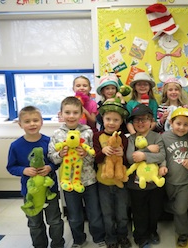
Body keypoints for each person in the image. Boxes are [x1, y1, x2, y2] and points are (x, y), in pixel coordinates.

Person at [48, 96, 106, 248]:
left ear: (82, 114)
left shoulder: (88, 132)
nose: (71, 116)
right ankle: (78, 240)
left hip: (89, 180)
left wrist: (85, 155)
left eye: (75, 112)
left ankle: (99, 237)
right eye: (67, 112)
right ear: (61, 114)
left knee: (94, 213)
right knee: (74, 215)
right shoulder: (56, 135)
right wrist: (60, 155)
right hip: (68, 183)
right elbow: (52, 158)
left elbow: (95, 156)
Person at [6, 106, 65, 248]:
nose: (32, 124)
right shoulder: (16, 146)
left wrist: (50, 167)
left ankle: (58, 245)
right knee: (34, 223)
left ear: (41, 122)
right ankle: (39, 245)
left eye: (35, 120)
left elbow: (56, 160)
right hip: (30, 193)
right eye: (27, 121)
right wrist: (24, 170)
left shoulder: (49, 141)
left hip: (49, 191)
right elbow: (11, 167)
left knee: (55, 221)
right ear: (20, 125)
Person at [126, 104, 166, 248]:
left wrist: (143, 156)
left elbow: (161, 155)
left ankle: (152, 231)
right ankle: (140, 236)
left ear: (151, 122)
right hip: (136, 185)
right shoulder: (131, 138)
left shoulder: (157, 137)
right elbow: (131, 158)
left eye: (144, 120)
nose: (140, 123)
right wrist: (147, 150)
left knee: (155, 210)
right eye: (136, 120)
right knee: (139, 211)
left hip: (155, 184)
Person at [93, 101, 132, 248]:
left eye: (116, 120)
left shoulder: (124, 138)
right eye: (108, 119)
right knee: (107, 214)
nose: (111, 123)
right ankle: (111, 238)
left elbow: (128, 163)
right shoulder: (97, 137)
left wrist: (123, 155)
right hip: (103, 182)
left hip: (121, 181)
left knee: (122, 213)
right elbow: (94, 159)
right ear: (102, 119)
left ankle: (123, 236)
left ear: (121, 121)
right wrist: (102, 152)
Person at [160, 107, 188, 247]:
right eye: (178, 123)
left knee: (181, 209)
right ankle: (165, 208)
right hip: (169, 180)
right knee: (176, 209)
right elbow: (162, 154)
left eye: (186, 125)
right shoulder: (164, 137)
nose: (182, 127)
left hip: (186, 181)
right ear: (171, 122)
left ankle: (183, 233)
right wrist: (162, 165)